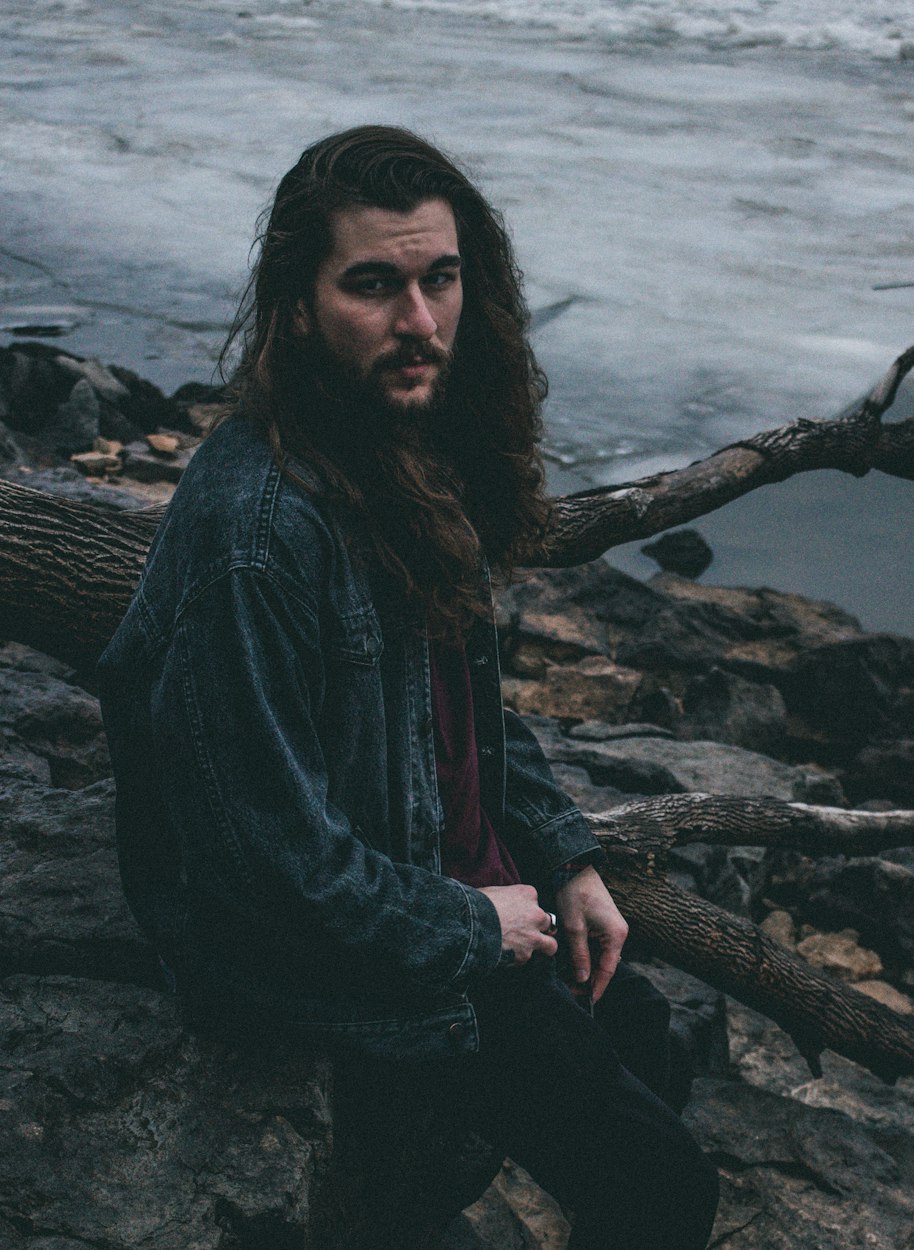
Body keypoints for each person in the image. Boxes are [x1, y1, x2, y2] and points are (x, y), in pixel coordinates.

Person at [98, 125, 719, 1249]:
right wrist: (469, 922)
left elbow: (465, 710)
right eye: (374, 287)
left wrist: (561, 851)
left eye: (439, 280)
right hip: (345, 950)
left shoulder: (400, 450)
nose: (420, 323)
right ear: (296, 304)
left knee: (655, 1035)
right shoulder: (258, 535)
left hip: (447, 885)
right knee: (664, 1186)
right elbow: (260, 864)